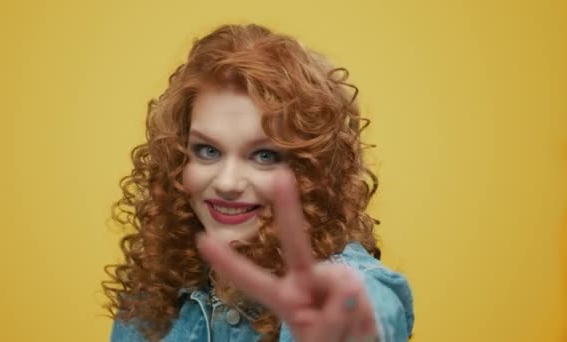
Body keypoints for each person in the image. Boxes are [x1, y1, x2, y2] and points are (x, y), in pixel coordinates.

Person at [103, 23, 414, 342]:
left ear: (311, 172)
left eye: (264, 155)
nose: (227, 183)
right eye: (208, 150)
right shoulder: (152, 299)